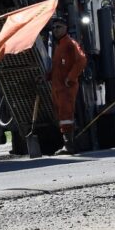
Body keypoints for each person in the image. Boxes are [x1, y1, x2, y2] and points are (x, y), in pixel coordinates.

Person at [47, 16, 88, 154]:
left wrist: (70, 78)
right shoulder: (59, 46)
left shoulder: (70, 43)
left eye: (58, 27)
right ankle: (68, 144)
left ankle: (69, 146)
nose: (55, 30)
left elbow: (81, 60)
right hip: (57, 87)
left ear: (65, 28)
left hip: (66, 88)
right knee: (61, 116)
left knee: (66, 116)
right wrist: (46, 77)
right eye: (53, 28)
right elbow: (57, 68)